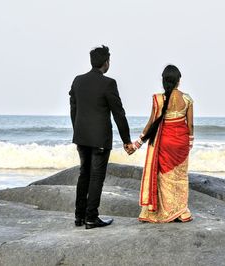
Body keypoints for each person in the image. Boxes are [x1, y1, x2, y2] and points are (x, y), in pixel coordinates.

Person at [69, 45, 135, 229]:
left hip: (81, 137)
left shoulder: (77, 81)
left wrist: (78, 130)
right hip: (100, 140)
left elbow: (73, 109)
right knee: (96, 177)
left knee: (84, 175)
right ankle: (91, 217)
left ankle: (79, 217)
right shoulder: (108, 83)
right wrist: (127, 141)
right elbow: (118, 114)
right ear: (106, 62)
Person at [134, 65, 194, 223]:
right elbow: (190, 125)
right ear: (178, 81)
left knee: (163, 177)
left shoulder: (159, 99)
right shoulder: (187, 98)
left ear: (164, 81)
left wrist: (137, 143)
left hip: (165, 142)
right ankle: (181, 212)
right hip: (181, 142)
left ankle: (164, 211)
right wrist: (190, 142)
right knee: (180, 177)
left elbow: (151, 123)